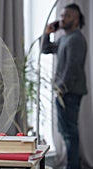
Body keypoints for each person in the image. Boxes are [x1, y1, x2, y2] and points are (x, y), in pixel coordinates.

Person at [41, 3, 87, 169]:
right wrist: (47, 34)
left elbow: (72, 69)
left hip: (70, 92)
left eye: (66, 16)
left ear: (75, 19)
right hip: (63, 92)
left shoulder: (76, 39)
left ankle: (73, 166)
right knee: (66, 131)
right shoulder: (64, 38)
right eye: (61, 16)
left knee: (70, 132)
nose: (61, 19)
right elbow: (45, 49)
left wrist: (61, 88)